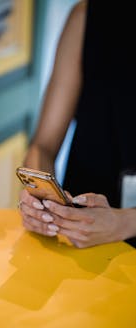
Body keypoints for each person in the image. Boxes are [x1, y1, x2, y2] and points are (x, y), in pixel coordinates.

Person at [18, 0, 136, 248]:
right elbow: (43, 145)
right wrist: (42, 197)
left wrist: (125, 223)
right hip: (79, 236)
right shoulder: (86, 16)